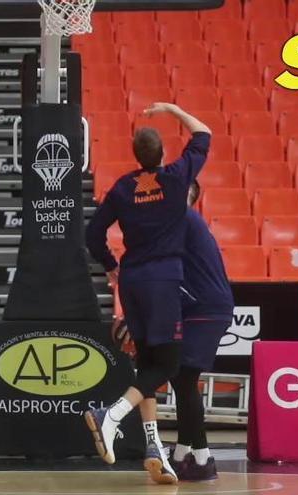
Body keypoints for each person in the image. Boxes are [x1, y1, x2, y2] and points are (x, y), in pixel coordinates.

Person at [84, 102, 211, 485]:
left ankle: (155, 448)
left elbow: (92, 235)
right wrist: (172, 109)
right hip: (162, 280)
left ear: (136, 155)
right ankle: (113, 414)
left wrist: (110, 266)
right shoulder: (175, 179)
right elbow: (203, 132)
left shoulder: (123, 188)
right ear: (163, 154)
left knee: (147, 363)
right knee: (170, 364)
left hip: (133, 280)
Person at [170, 180, 233, 481]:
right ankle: (182, 453)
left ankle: (204, 458)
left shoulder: (184, 218)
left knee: (184, 377)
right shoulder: (180, 223)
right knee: (180, 377)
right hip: (196, 308)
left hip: (207, 309)